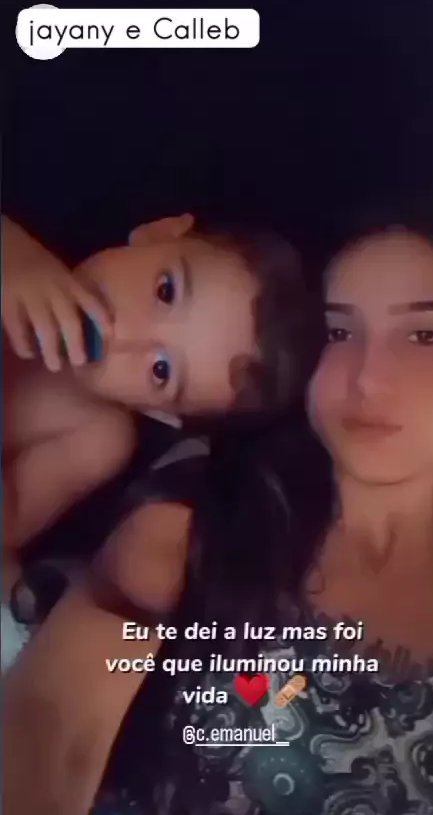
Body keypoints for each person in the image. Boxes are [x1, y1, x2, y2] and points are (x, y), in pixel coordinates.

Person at [4, 222, 433, 815]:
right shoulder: (203, 528)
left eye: (424, 334)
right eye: (338, 332)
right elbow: (48, 734)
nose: (370, 377)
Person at [2, 213, 314, 567]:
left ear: (159, 412)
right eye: (165, 291)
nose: (125, 335)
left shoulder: (97, 438)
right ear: (158, 232)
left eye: (161, 370)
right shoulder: (23, 256)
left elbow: (10, 521)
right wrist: (16, 262)